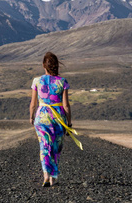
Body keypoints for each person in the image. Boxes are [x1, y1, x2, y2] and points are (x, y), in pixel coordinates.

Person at [30, 52, 81, 187]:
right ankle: (53, 178)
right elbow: (66, 105)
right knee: (56, 147)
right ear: (56, 66)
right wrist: (69, 123)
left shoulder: (37, 81)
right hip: (58, 118)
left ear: (43, 65)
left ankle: (46, 175)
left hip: (41, 117)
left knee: (44, 146)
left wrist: (31, 117)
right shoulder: (62, 82)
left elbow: (33, 104)